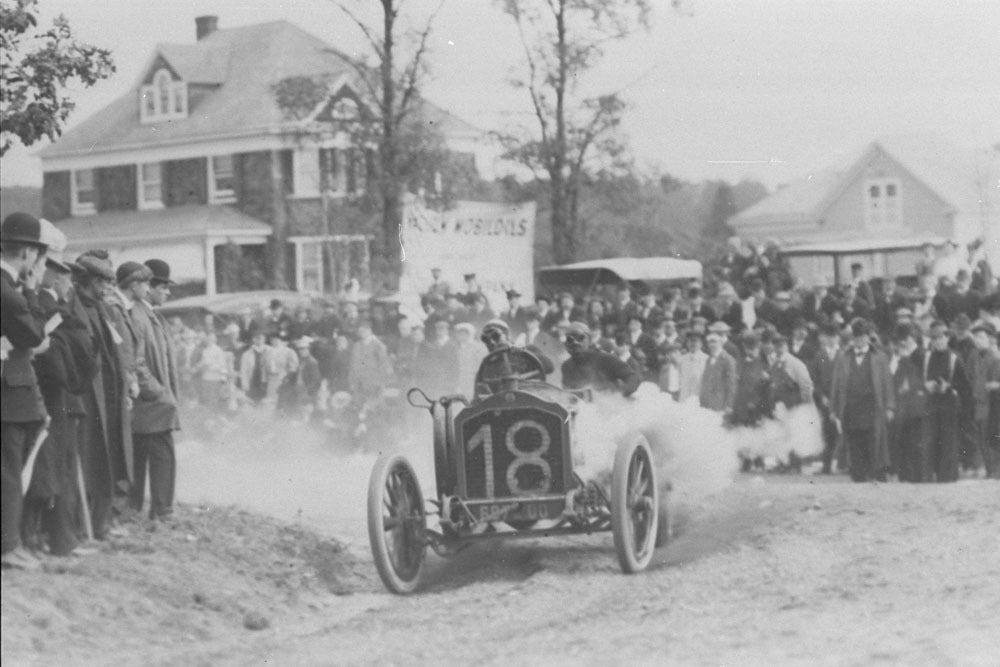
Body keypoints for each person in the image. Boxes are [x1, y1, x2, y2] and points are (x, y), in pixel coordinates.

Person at [1, 213, 50, 569]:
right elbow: (34, 335)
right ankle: (8, 546)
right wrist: (32, 291)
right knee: (9, 470)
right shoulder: (10, 293)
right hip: (9, 395)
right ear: (28, 253)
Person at [128, 259, 181, 520]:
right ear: (149, 287)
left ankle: (146, 510)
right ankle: (161, 511)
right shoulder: (138, 316)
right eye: (164, 287)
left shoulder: (151, 315)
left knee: (146, 458)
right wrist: (158, 392)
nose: (168, 292)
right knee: (161, 456)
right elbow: (136, 362)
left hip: (153, 402)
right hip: (151, 403)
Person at [829, 319, 895, 483]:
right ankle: (858, 476)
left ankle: (876, 474)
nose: (858, 341)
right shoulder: (843, 357)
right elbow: (836, 384)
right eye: (856, 337)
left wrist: (890, 407)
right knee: (854, 441)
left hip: (873, 407)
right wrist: (833, 409)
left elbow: (887, 383)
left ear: (868, 337)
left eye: (862, 337)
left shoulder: (880, 357)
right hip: (851, 408)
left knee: (874, 441)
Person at [915, 320, 972, 482]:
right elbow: (916, 380)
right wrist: (926, 385)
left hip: (949, 405)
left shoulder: (955, 359)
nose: (938, 342)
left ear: (947, 339)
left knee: (948, 441)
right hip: (931, 404)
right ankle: (926, 477)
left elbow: (965, 385)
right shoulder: (925, 357)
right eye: (934, 339)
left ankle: (946, 477)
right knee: (929, 440)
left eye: (941, 338)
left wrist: (949, 386)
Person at [560, 322, 641, 397]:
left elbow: (632, 377)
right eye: (570, 339)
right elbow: (566, 393)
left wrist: (621, 393)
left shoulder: (605, 359)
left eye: (580, 338)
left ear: (590, 341)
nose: (575, 343)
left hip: (608, 405)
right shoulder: (566, 366)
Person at [475, 319, 553, 395]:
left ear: (507, 336)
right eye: (486, 340)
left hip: (532, 396)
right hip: (502, 402)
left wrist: (523, 352)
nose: (492, 342)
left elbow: (549, 367)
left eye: (496, 336)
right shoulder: (487, 364)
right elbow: (479, 395)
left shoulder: (528, 349)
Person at [889, 324, 927, 482]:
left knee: (914, 440)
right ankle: (906, 474)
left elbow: (922, 378)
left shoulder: (920, 354)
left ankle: (915, 475)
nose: (902, 344)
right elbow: (895, 378)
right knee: (904, 439)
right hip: (904, 405)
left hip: (916, 404)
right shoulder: (902, 356)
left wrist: (910, 385)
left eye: (904, 340)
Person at [965, 321, 999, 477]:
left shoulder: (995, 357)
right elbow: (970, 376)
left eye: (981, 337)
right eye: (976, 337)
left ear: (990, 338)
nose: (978, 340)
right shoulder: (975, 356)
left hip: (992, 404)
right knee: (980, 436)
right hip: (978, 401)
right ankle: (989, 469)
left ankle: (995, 470)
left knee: (990, 435)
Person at [699, 327, 738, 416]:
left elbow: (731, 384)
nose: (711, 345)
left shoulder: (728, 360)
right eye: (709, 342)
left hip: (720, 403)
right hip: (707, 402)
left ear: (721, 343)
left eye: (714, 342)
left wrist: (729, 404)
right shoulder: (708, 360)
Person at [769, 335, 814, 410]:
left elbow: (806, 386)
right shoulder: (774, 363)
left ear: (786, 346)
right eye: (776, 346)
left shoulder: (795, 363)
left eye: (781, 346)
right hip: (780, 406)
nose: (779, 349)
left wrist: (804, 407)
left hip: (795, 405)